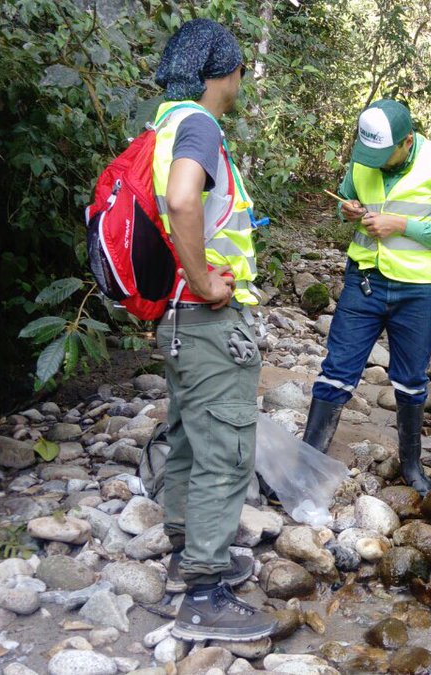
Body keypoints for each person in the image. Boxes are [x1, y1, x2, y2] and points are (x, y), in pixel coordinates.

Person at [150, 18, 276, 642]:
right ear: (224, 72)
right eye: (237, 69)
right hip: (205, 318)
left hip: (175, 320)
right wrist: (203, 282)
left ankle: (186, 550)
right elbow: (181, 201)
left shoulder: (161, 123)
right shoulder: (199, 124)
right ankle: (203, 593)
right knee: (224, 452)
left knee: (188, 439)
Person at [302, 99, 431, 496]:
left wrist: (401, 225)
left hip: (417, 290)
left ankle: (411, 467)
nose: (373, 163)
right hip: (364, 281)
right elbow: (344, 196)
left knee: (411, 381)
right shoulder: (364, 157)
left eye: (384, 155)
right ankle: (307, 462)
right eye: (368, 155)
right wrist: (347, 210)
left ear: (407, 141)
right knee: (336, 372)